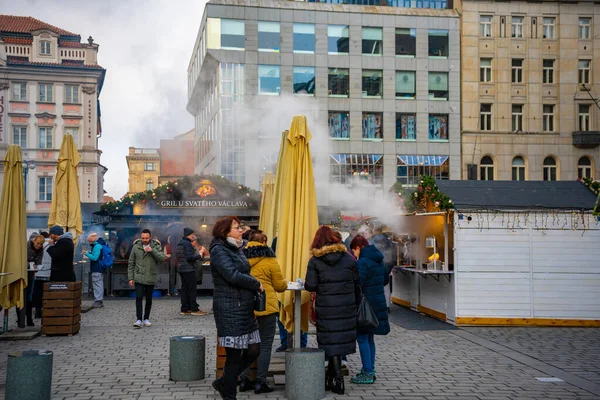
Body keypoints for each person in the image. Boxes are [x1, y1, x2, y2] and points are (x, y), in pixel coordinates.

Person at [209, 216, 263, 400]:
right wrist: (255, 283)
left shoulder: (237, 247)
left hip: (244, 307)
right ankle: (229, 394)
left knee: (254, 349)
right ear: (225, 232)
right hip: (229, 308)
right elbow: (231, 275)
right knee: (233, 356)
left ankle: (225, 381)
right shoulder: (218, 250)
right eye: (237, 228)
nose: (241, 230)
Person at [304, 226, 360, 395]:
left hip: (326, 307)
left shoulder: (315, 260)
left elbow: (310, 285)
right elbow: (357, 281)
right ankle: (330, 379)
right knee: (338, 340)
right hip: (346, 306)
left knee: (330, 341)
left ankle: (338, 380)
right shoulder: (348, 259)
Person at [239, 230, 287, 394]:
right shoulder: (270, 259)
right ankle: (260, 382)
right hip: (266, 307)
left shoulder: (240, 257)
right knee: (265, 345)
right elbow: (279, 286)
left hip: (245, 307)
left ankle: (244, 380)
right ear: (265, 242)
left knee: (246, 343)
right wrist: (286, 282)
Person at [349, 235, 391, 384]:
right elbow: (385, 280)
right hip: (378, 302)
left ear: (359, 247)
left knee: (362, 337)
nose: (354, 254)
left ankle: (367, 372)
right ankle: (370, 368)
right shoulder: (378, 260)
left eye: (354, 250)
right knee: (370, 337)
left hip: (365, 305)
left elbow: (358, 283)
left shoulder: (362, 262)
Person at [128, 229, 166, 328]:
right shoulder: (136, 246)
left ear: (150, 237)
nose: (144, 240)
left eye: (146, 238)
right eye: (143, 238)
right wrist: (130, 278)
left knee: (149, 299)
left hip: (150, 276)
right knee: (139, 298)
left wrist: (152, 251)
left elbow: (162, 258)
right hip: (138, 276)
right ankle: (139, 319)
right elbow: (131, 263)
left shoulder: (156, 246)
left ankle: (146, 318)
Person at [175, 228, 206, 316]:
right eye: (193, 234)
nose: (194, 236)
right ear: (189, 235)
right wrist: (200, 253)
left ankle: (184, 308)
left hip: (181, 268)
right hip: (189, 269)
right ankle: (194, 309)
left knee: (184, 289)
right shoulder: (187, 243)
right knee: (192, 289)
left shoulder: (180, 243)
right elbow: (190, 257)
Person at [371, 227, 397, 312]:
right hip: (387, 265)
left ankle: (379, 305)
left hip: (378, 266)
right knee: (386, 286)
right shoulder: (389, 241)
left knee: (377, 287)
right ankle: (387, 305)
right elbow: (393, 256)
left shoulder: (373, 241)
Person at [22, 234, 45, 326]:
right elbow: (21, 259)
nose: (38, 245)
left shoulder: (41, 249)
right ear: (34, 241)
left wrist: (37, 266)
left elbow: (39, 261)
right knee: (22, 296)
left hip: (31, 274)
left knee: (29, 296)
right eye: (38, 243)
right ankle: (21, 318)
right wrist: (29, 264)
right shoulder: (26, 246)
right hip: (22, 273)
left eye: (40, 244)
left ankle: (29, 318)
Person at [32, 233, 52, 319]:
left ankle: (37, 310)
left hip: (37, 273)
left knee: (37, 293)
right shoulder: (52, 244)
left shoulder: (36, 244)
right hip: (48, 273)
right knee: (47, 293)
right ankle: (46, 310)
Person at [84, 233, 105, 308]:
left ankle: (98, 301)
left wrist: (87, 253)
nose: (89, 243)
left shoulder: (97, 246)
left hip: (96, 268)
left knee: (97, 285)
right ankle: (100, 300)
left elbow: (95, 258)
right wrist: (89, 253)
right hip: (99, 268)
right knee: (99, 284)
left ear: (92, 241)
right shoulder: (99, 245)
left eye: (89, 241)